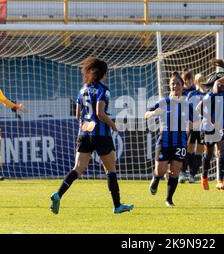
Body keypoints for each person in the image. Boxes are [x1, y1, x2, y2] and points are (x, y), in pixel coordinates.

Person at [50, 57, 133, 215]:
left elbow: (77, 115)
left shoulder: (83, 89)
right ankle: (117, 205)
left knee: (77, 169)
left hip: (84, 133)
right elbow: (100, 113)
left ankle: (58, 194)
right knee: (110, 170)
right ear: (103, 73)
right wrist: (113, 125)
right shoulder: (103, 90)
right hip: (101, 135)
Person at [145, 72, 191, 207]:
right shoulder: (163, 102)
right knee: (161, 169)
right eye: (172, 83)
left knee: (175, 171)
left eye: (178, 83)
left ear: (182, 86)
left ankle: (169, 199)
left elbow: (196, 120)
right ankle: (156, 178)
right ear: (169, 86)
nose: (175, 86)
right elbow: (146, 114)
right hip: (164, 141)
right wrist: (154, 113)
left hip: (180, 142)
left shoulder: (187, 104)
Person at [195, 70, 224, 191]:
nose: (223, 84)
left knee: (223, 151)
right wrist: (211, 120)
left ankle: (220, 181)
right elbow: (199, 108)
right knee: (209, 154)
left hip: (223, 126)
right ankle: (204, 176)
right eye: (220, 82)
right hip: (209, 127)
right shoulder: (210, 95)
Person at [185, 73, 209, 187]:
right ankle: (187, 172)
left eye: (202, 79)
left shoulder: (207, 94)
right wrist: (188, 121)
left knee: (199, 150)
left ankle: (193, 175)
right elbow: (186, 109)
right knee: (189, 149)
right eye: (198, 79)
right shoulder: (191, 94)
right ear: (195, 82)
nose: (201, 81)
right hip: (192, 125)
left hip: (202, 126)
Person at [179, 69, 197, 183]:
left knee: (192, 149)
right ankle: (182, 172)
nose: (188, 81)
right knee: (184, 148)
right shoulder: (181, 93)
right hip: (183, 124)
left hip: (196, 124)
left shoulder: (197, 91)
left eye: (189, 78)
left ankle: (191, 174)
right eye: (186, 79)